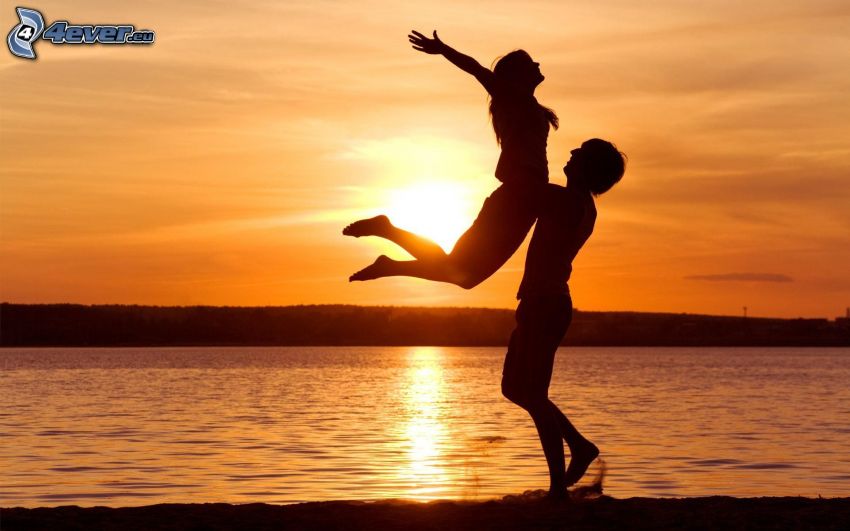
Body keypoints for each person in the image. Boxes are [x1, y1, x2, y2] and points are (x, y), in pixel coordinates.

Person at [344, 30, 558, 289]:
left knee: (464, 274)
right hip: (517, 195)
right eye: (530, 63)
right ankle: (387, 239)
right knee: (461, 271)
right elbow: (476, 69)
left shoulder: (530, 105)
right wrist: (444, 50)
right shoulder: (509, 98)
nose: (537, 64)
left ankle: (388, 253)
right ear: (517, 75)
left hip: (526, 198)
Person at [501, 138, 625, 500]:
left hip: (546, 305)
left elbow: (521, 187)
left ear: (589, 169)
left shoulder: (570, 202)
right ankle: (579, 446)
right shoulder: (572, 201)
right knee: (514, 388)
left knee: (534, 394)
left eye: (580, 153)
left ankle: (557, 488)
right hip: (538, 304)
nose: (570, 153)